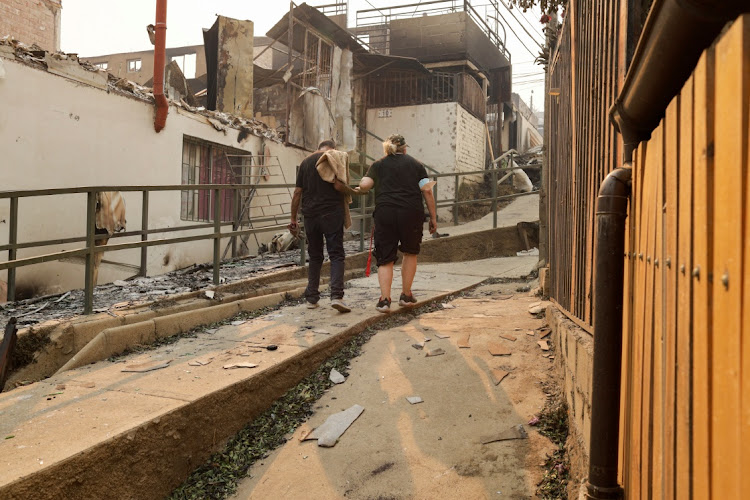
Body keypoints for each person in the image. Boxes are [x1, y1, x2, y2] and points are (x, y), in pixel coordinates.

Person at [357, 134, 437, 313]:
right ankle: (406, 295)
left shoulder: (378, 165)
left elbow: (365, 185)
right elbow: (428, 192)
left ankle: (385, 300)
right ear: (405, 148)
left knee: (385, 258)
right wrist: (433, 218)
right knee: (410, 252)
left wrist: (361, 184)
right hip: (411, 214)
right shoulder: (417, 165)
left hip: (386, 214)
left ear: (387, 148)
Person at [290, 140, 351, 313]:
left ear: (318, 148)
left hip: (310, 215)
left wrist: (293, 218)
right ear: (333, 149)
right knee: (336, 254)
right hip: (332, 213)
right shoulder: (336, 158)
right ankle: (337, 296)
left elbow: (297, 193)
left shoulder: (305, 162)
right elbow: (340, 185)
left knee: (315, 256)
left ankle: (312, 298)